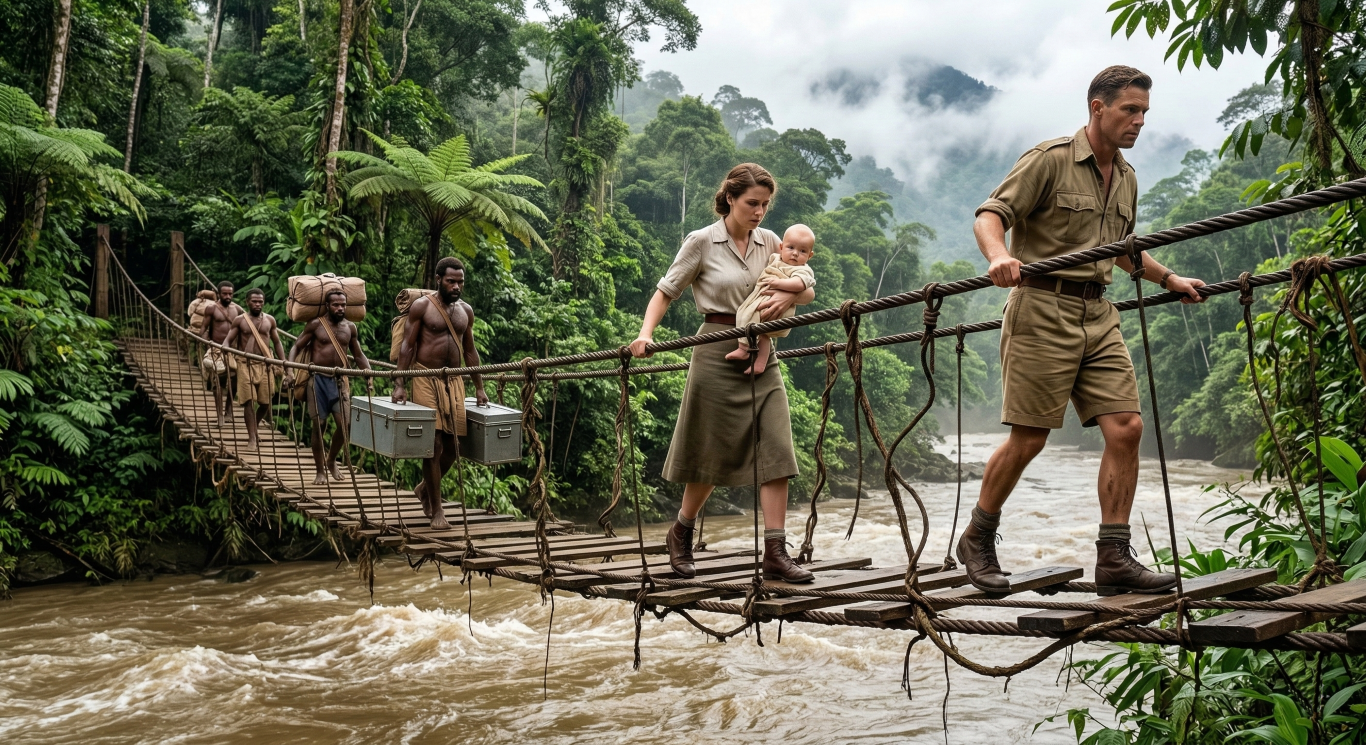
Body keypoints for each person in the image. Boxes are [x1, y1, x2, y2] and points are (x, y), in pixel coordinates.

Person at [961, 65, 1207, 596]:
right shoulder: (1049, 160)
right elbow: (990, 213)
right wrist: (1000, 256)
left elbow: (1121, 250)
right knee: (1030, 438)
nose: (1139, 121)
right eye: (1130, 110)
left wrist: (1170, 278)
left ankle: (1114, 555)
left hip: (1098, 314)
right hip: (1041, 310)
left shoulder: (1127, 175)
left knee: (1127, 428)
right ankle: (978, 538)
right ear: (1098, 107)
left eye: (1144, 112)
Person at [630, 163, 817, 583]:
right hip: (716, 349)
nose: (760, 212)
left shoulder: (772, 241)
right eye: (753, 203)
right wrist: (645, 334)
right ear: (730, 198)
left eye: (766, 204)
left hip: (763, 351)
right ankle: (681, 530)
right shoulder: (702, 241)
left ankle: (775, 551)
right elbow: (667, 290)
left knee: (777, 449)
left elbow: (804, 288)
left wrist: (790, 292)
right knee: (708, 454)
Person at [391, 257, 489, 531]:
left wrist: (479, 387)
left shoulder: (465, 311)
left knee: (454, 446)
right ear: (438, 279)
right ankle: (436, 510)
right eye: (451, 281)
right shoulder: (422, 307)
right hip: (424, 378)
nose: (456, 286)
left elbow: (470, 351)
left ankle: (424, 489)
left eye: (460, 282)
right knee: (433, 445)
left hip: (454, 381)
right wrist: (400, 383)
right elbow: (407, 346)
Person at [288, 290, 373, 485]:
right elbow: (297, 347)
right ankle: (320, 471)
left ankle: (331, 459)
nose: (340, 308)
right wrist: (290, 371)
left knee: (347, 425)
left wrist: (369, 374)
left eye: (343, 305)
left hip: (339, 381)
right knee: (319, 426)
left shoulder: (350, 327)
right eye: (336, 305)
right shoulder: (316, 325)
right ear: (327, 306)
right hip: (317, 380)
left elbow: (358, 355)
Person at [723, 223, 817, 375]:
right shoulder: (776, 259)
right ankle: (760, 364)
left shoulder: (802, 269)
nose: (795, 254)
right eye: (790, 248)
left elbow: (801, 284)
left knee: (752, 319)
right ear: (781, 247)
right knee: (756, 327)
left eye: (802, 251)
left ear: (810, 255)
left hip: (775, 308)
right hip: (760, 300)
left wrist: (779, 283)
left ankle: (744, 348)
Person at [222, 288, 286, 451]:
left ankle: (255, 427)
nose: (258, 304)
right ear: (247, 302)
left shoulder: (270, 320)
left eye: (260, 302)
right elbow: (228, 339)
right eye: (254, 301)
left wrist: (284, 362)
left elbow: (276, 342)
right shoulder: (240, 320)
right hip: (245, 364)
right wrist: (225, 347)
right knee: (249, 401)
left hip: (265, 365)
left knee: (265, 403)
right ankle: (252, 437)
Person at [199, 280, 240, 426]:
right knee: (218, 382)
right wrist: (206, 344)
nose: (228, 296)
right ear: (218, 294)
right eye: (225, 293)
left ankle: (229, 410)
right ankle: (220, 416)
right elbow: (203, 329)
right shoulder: (211, 309)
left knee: (234, 381)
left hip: (233, 351)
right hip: (217, 349)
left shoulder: (238, 310)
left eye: (230, 293)